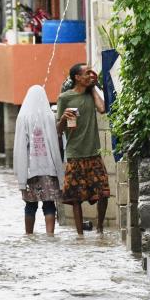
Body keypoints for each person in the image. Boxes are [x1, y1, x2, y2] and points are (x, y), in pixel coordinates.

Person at [56, 63, 110, 235]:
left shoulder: (91, 95)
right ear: (77, 78)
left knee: (103, 194)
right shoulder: (65, 98)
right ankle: (80, 235)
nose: (90, 76)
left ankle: (100, 228)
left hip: (93, 152)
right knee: (75, 198)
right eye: (86, 73)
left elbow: (102, 109)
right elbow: (58, 130)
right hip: (74, 154)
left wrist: (93, 87)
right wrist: (64, 118)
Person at [13, 85, 65, 235]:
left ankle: (29, 235)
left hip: (30, 171)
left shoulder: (22, 117)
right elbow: (55, 145)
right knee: (49, 204)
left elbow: (20, 146)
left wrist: (20, 172)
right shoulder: (49, 117)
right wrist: (59, 169)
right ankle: (50, 235)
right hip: (49, 169)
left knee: (30, 205)